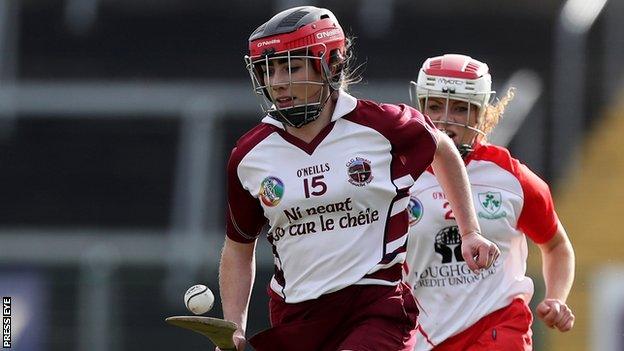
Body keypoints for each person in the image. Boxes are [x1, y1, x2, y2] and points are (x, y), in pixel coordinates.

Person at [218, 7, 499, 351]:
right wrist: (234, 327)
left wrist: (470, 232)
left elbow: (442, 147)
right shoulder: (249, 156)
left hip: (375, 306)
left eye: (291, 68)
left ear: (331, 63)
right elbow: (238, 249)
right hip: (297, 317)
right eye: (267, 71)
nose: (277, 83)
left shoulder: (384, 127)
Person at [404, 53, 576, 351]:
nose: (446, 120)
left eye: (460, 109)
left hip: (499, 325)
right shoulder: (396, 174)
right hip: (425, 335)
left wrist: (556, 298)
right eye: (434, 106)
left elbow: (556, 245)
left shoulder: (512, 178)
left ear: (482, 113)